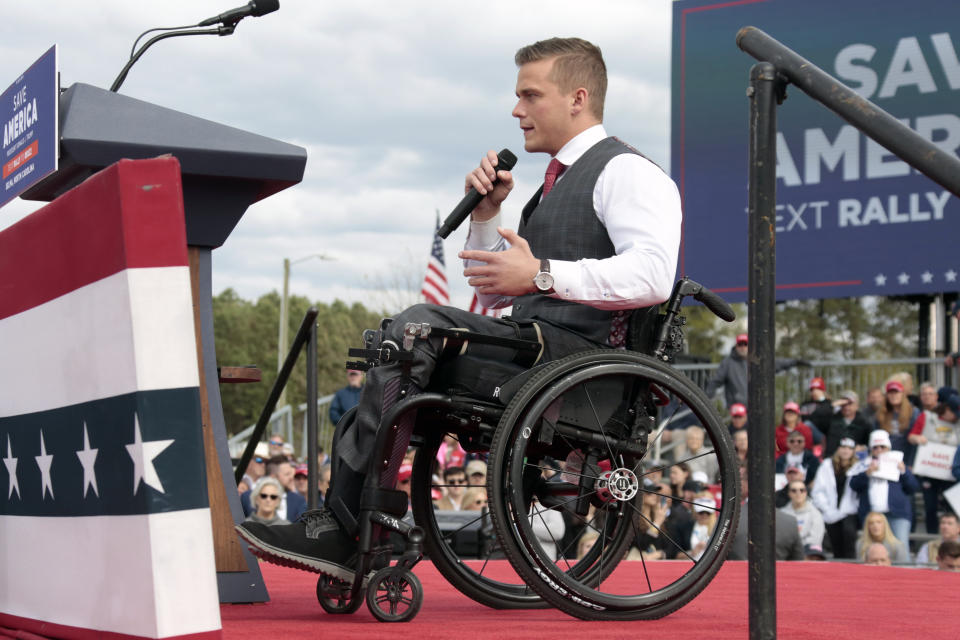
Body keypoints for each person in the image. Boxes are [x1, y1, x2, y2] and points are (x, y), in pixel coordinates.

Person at [236, 37, 682, 579]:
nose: (516, 111)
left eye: (529, 95)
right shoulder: (547, 190)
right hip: (536, 350)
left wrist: (541, 273)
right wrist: (490, 216)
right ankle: (349, 524)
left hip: (584, 368)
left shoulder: (627, 173)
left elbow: (654, 276)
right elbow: (495, 293)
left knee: (417, 328)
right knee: (396, 351)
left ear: (577, 98)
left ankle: (346, 528)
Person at [850, 430, 919, 548]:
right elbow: (854, 485)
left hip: (897, 513)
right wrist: (867, 473)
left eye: (883, 447)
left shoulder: (898, 462)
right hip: (872, 515)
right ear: (871, 449)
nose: (879, 450)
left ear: (888, 447)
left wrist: (903, 471)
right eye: (875, 447)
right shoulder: (863, 464)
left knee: (901, 548)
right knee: (873, 549)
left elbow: (912, 487)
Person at [728, 461, 804, 561]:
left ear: (746, 484)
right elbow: (798, 566)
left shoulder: (730, 519)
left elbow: (714, 560)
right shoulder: (790, 522)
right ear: (773, 487)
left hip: (735, 575)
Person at [908, 393, 960, 534]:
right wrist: (918, 439)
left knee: (952, 508)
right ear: (946, 409)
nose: (955, 417)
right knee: (930, 507)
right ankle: (931, 537)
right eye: (954, 413)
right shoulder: (927, 417)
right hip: (929, 472)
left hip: (949, 475)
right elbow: (911, 437)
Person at [811, 437, 860, 559]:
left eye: (849, 448)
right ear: (838, 449)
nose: (845, 451)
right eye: (843, 447)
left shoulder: (859, 466)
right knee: (835, 543)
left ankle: (851, 569)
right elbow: (818, 490)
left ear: (853, 451)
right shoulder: (827, 465)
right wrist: (827, 509)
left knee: (849, 538)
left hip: (851, 511)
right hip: (830, 511)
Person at [822, 390, 872, 457]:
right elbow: (816, 418)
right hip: (833, 459)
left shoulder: (864, 423)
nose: (846, 407)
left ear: (857, 406)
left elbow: (869, 443)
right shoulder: (832, 420)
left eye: (850, 403)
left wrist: (863, 447)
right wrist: (832, 405)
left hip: (855, 460)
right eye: (843, 404)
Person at [705, 333, 749, 409]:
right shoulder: (727, 362)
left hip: (754, 408)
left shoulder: (754, 361)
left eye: (745, 344)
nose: (743, 347)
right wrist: (705, 399)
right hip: (736, 408)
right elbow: (716, 381)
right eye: (740, 344)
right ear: (736, 346)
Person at [778, 480, 825, 550]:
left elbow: (815, 539)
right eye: (794, 490)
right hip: (786, 551)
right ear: (789, 493)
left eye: (802, 490)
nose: (798, 493)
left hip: (808, 552)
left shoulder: (816, 514)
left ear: (806, 492)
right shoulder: (782, 513)